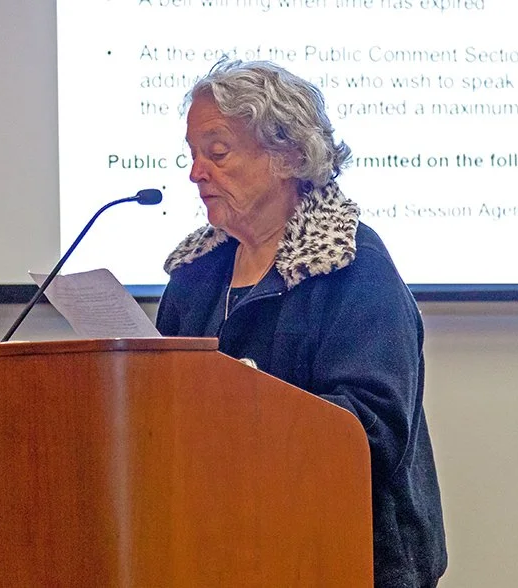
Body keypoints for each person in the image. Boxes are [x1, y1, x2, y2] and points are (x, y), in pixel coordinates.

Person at [156, 59, 448, 587]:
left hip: (349, 557)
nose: (196, 172)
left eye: (217, 152)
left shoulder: (353, 268)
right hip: (221, 550)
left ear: (288, 154)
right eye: (193, 154)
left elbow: (371, 432)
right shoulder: (194, 277)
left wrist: (239, 398)